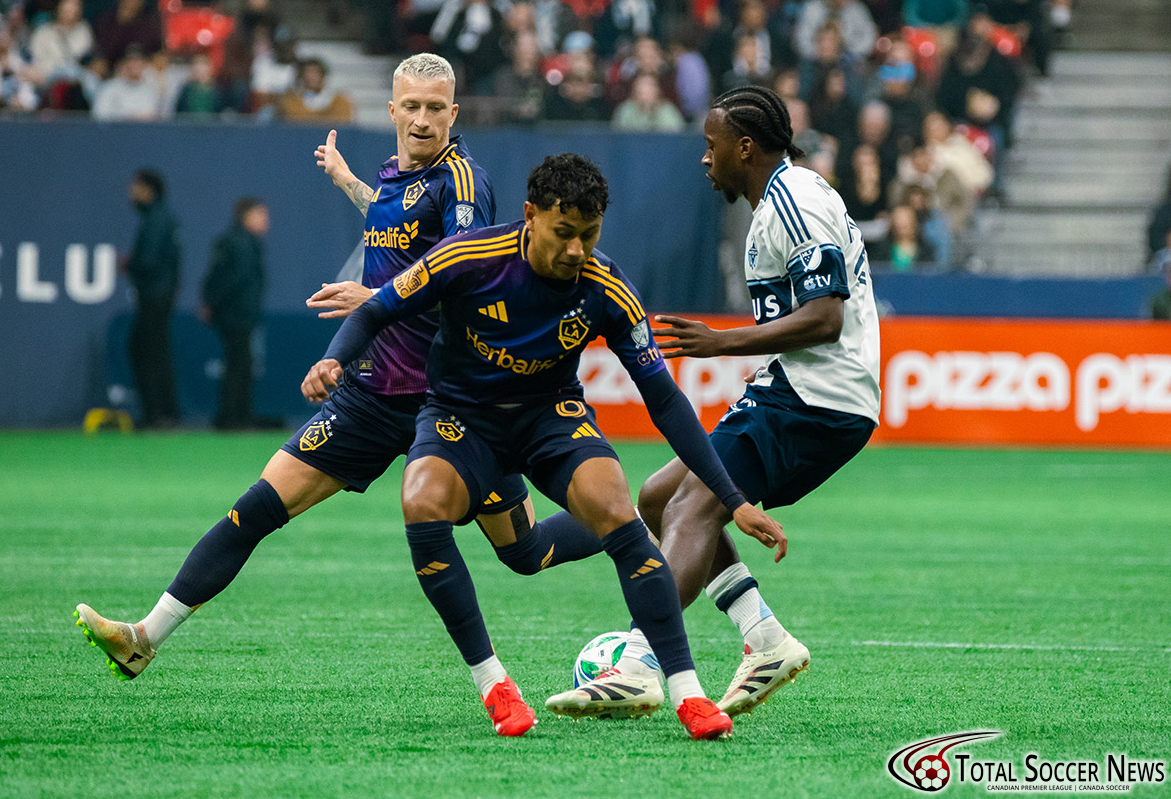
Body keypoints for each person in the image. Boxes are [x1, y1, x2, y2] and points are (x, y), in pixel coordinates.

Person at [74, 53, 597, 689]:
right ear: (393, 110)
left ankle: (632, 518)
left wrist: (377, 300)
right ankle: (143, 637)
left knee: (525, 552)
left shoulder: (464, 183)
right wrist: (349, 182)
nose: (424, 120)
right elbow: (395, 220)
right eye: (412, 106)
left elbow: (467, 274)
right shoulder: (397, 180)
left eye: (437, 108)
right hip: (372, 397)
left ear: (454, 114)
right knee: (256, 508)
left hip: (452, 402)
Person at [301, 153, 784, 739]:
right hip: (462, 418)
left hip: (549, 417)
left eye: (590, 234)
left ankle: (687, 693)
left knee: (614, 508)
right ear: (530, 215)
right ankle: (494, 685)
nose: (577, 249)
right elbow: (377, 310)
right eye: (564, 233)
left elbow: (664, 401)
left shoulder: (606, 287)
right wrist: (333, 357)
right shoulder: (466, 258)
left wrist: (731, 499)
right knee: (422, 503)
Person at [563, 85, 880, 719]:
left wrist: (721, 342)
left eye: (711, 147)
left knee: (694, 504)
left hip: (818, 398)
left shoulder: (795, 202)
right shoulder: (776, 204)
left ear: (744, 147)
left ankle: (637, 661)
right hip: (796, 388)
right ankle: (764, 639)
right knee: (656, 498)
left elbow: (824, 319)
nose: (705, 160)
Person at [201, 197, 270, 429]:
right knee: (237, 365)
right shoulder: (237, 243)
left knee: (240, 364)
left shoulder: (248, 243)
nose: (266, 221)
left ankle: (238, 416)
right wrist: (213, 304)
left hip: (242, 315)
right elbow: (228, 280)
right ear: (246, 216)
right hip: (236, 316)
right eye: (261, 215)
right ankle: (232, 418)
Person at [123, 169, 181, 429]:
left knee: (148, 352)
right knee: (153, 352)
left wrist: (128, 264)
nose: (131, 192)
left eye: (136, 186)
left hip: (154, 298)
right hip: (159, 296)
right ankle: (162, 413)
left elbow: (148, 261)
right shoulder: (160, 218)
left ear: (149, 190)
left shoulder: (156, 220)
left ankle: (157, 414)